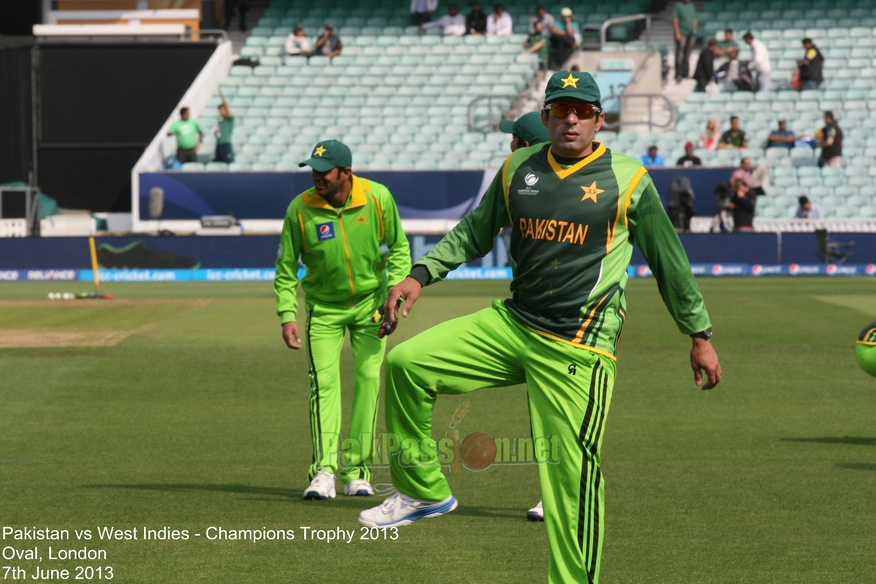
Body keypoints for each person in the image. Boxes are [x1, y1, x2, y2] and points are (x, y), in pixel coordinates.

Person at [357, 70, 722, 584]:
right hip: (514, 323)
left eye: (581, 110)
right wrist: (419, 276)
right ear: (547, 116)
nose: (570, 118)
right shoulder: (517, 168)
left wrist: (699, 335)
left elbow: (670, 262)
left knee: (569, 480)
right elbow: (472, 233)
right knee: (405, 364)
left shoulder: (630, 179)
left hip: (577, 345)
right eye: (560, 109)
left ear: (599, 119)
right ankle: (424, 491)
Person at [275, 140, 412, 501]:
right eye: (314, 171)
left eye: (324, 172)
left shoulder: (377, 197)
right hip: (324, 310)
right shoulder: (300, 209)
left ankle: (357, 472)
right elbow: (286, 267)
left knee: (368, 383)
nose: (317, 178)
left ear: (346, 173)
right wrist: (287, 313)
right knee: (324, 387)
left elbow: (399, 247)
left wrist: (395, 290)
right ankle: (323, 472)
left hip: (372, 307)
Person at [672, 0, 698, 82]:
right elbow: (675, 19)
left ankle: (685, 73)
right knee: (680, 54)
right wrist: (677, 33)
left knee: (687, 54)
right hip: (682, 33)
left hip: (691, 34)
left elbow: (695, 19)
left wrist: (695, 30)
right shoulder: (678, 6)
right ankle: (678, 73)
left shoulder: (692, 6)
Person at [213, 96, 234, 164]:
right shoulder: (221, 122)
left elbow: (227, 108)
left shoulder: (229, 120)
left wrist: (221, 94)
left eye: (222, 110)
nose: (221, 112)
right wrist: (216, 134)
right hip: (219, 145)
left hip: (226, 145)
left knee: (228, 163)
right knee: (218, 165)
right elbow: (219, 135)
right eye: (220, 110)